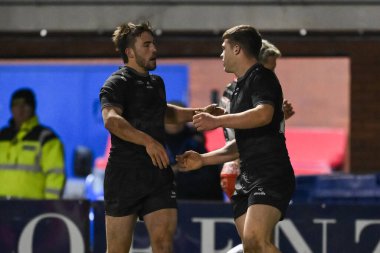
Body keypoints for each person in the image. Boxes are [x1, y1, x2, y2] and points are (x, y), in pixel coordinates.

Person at [99, 21, 223, 253]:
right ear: (130, 52)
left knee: (164, 244)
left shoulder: (156, 83)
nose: (154, 49)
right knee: (117, 249)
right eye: (146, 45)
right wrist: (148, 141)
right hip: (124, 177)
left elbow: (166, 113)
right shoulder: (116, 83)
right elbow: (111, 120)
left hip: (157, 174)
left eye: (153, 44)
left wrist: (201, 113)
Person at [176, 25, 295, 253]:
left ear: (237, 49)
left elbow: (264, 114)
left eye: (224, 48)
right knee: (252, 246)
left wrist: (218, 121)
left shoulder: (261, 77)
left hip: (270, 172)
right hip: (246, 176)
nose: (221, 54)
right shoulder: (237, 89)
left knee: (256, 239)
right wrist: (203, 159)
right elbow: (240, 144)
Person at [219, 39, 295, 202]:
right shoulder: (241, 91)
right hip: (247, 166)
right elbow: (242, 129)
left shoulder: (244, 89)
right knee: (256, 225)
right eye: (270, 70)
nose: (272, 75)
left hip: (241, 166)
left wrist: (278, 117)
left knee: (253, 225)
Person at [0, 88, 65, 199]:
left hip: (33, 208)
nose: (20, 109)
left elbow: (55, 175)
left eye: (25, 104)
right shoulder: (2, 136)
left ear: (33, 108)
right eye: (16, 104)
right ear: (11, 109)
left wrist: (50, 206)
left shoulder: (46, 138)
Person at [165, 101, 223, 201]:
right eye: (170, 117)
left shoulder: (195, 140)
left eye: (176, 117)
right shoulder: (152, 141)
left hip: (192, 195)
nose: (174, 122)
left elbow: (208, 176)